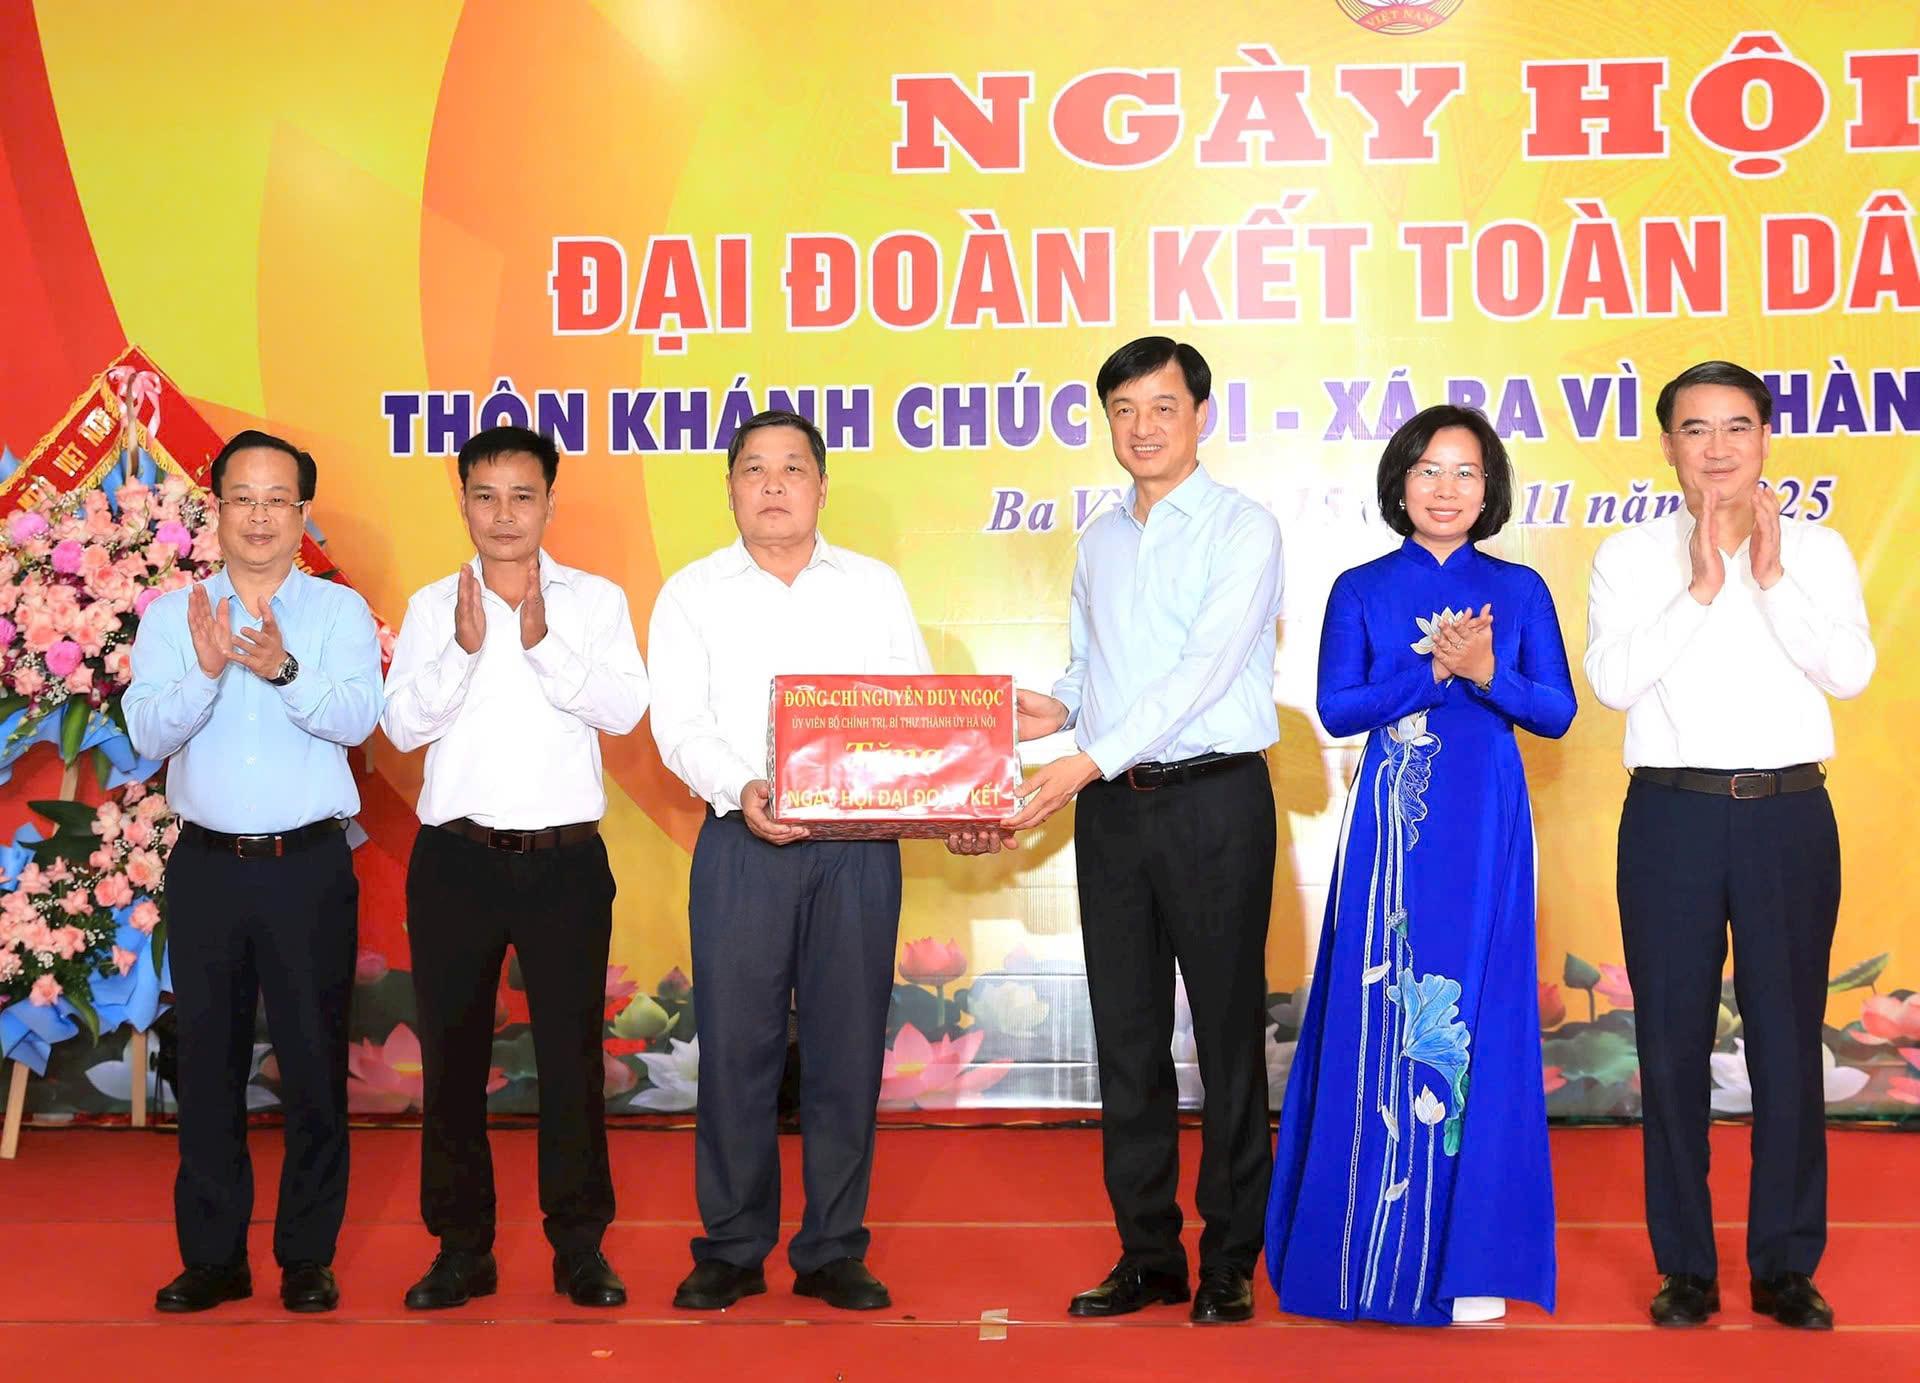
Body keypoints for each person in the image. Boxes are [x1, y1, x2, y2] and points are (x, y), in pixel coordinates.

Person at [990, 337, 1283, 1324]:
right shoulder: (1101, 538)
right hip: (1116, 808)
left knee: (1229, 1036)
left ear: (1201, 414)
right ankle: (1148, 1253)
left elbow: (1201, 674)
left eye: (1162, 407)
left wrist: (1083, 758)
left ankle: (1231, 1256)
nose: (1142, 427)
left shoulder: (1243, 529)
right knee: (1127, 1036)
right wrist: (1053, 709)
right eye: (1123, 409)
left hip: (1214, 800)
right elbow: (1095, 671)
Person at [1265, 405, 1573, 1325]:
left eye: (1466, 472)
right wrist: (1435, 671)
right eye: (1429, 470)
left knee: (1480, 1007)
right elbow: (1337, 707)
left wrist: (1486, 671)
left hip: (1485, 820)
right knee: (1380, 1000)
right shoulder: (1361, 587)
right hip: (1393, 825)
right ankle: (1362, 1248)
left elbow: (1555, 711)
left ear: (1491, 489)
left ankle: (1469, 1258)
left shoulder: (1519, 589)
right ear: (1400, 483)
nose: (1447, 489)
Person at [1585, 361, 1874, 1330]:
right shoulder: (1631, 555)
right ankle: (1687, 1266)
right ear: (1669, 442)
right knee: (1669, 1045)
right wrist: (1702, 588)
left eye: (1737, 427)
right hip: (1672, 816)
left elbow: (1850, 670)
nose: (1718, 449)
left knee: (1789, 1040)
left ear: (1765, 438)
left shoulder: (1818, 550)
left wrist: (1771, 580)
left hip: (1788, 814)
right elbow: (1614, 683)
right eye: (1697, 429)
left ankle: (1785, 1262)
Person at [650, 409, 930, 1313]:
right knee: (737, 1048)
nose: (773, 484)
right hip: (743, 839)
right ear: (730, 486)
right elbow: (679, 723)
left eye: (793, 468)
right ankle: (732, 1246)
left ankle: (833, 1247)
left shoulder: (874, 588)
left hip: (858, 846)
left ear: (821, 485)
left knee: (848, 1048)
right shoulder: (691, 594)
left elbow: (917, 710)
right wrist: (743, 789)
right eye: (754, 469)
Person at [380, 425, 649, 1310]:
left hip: (563, 864)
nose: (503, 514)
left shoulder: (595, 600)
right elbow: (401, 727)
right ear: (461, 500)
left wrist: (542, 642)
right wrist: (463, 650)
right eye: (486, 496)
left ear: (550, 503)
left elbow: (626, 707)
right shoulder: (432, 606)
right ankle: (461, 1248)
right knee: (452, 1059)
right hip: (454, 861)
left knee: (573, 1061)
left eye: (522, 496)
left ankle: (580, 1247)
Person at [126, 430, 383, 1314]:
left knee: (314, 1065)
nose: (261, 516)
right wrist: (206, 671)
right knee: (206, 1067)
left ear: (302, 513)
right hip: (207, 868)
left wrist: (283, 669)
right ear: (218, 508)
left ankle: (307, 1256)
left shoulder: (338, 612)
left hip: (306, 866)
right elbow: (146, 733)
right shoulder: (174, 615)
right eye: (244, 497)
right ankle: (213, 1258)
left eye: (278, 499)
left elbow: (358, 718)